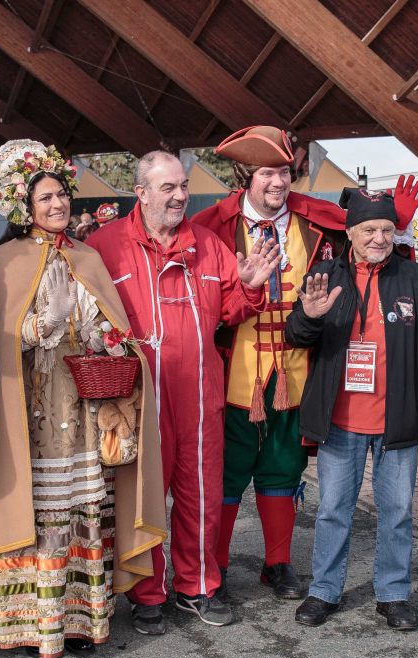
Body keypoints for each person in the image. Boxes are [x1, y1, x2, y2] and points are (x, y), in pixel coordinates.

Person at [0, 140, 166, 658]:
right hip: (32, 414)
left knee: (85, 507)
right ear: (25, 206)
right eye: (46, 198)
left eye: (62, 194)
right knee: (39, 513)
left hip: (85, 409)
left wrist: (104, 334)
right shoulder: (5, 261)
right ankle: (32, 626)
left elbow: (108, 324)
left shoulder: (87, 256)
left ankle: (81, 622)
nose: (58, 204)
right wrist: (43, 324)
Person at [89, 150, 281, 632]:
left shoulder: (209, 245)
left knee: (200, 495)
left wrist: (250, 288)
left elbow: (232, 309)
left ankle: (197, 587)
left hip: (199, 393)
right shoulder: (105, 246)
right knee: (143, 497)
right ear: (141, 193)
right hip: (138, 399)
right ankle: (146, 593)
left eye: (183, 186)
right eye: (168, 187)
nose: (180, 196)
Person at [284, 188, 418, 630]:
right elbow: (296, 337)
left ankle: (393, 594)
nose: (379, 238)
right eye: (369, 230)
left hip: (398, 420)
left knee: (397, 513)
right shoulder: (324, 275)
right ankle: (324, 590)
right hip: (340, 421)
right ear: (350, 232)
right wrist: (309, 315)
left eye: (386, 229)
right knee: (332, 510)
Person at [190, 126, 348, 600]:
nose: (278, 182)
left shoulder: (317, 223)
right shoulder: (210, 229)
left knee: (283, 467)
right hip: (232, 373)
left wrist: (395, 225)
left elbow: (367, 239)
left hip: (296, 372)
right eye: (266, 173)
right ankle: (216, 567)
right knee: (227, 472)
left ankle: (277, 564)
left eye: (283, 171)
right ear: (245, 176)